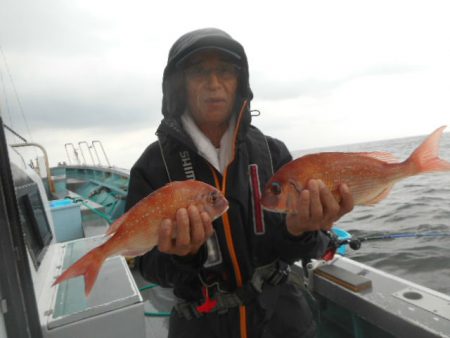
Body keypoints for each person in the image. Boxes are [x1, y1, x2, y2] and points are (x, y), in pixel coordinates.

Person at [125, 28, 354, 338]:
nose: (214, 84)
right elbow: (147, 266)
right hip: (199, 325)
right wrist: (181, 255)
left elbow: (301, 248)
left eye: (225, 71)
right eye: (198, 72)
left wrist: (302, 230)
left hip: (283, 321)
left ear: (240, 82)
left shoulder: (273, 154)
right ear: (178, 85)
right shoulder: (152, 166)